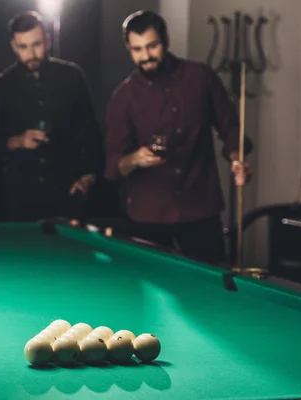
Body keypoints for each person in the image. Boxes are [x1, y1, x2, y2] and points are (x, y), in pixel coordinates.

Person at [104, 10, 253, 263]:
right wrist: (134, 160)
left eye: (152, 46)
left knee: (212, 288)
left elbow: (230, 129)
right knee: (150, 290)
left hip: (200, 207)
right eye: (137, 49)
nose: (146, 56)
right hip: (148, 213)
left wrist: (236, 159)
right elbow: (113, 165)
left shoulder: (200, 77)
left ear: (166, 41)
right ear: (128, 48)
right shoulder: (123, 97)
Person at [0, 11, 104, 221]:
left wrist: (88, 177)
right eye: (23, 47)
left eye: (36, 44)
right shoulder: (0, 86)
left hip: (68, 195)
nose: (31, 53)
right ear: (13, 46)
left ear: (48, 40)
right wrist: (19, 141)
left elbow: (91, 133)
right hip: (20, 200)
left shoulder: (72, 77)